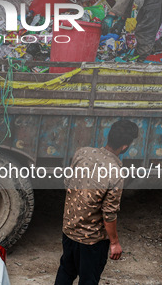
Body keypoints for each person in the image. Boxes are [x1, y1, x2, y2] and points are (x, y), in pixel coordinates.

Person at [55, 120, 139, 285]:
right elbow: (109, 214)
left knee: (66, 270)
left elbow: (68, 183)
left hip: (69, 231)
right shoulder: (116, 173)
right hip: (92, 241)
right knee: (88, 280)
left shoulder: (82, 153)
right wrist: (115, 243)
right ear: (124, 147)